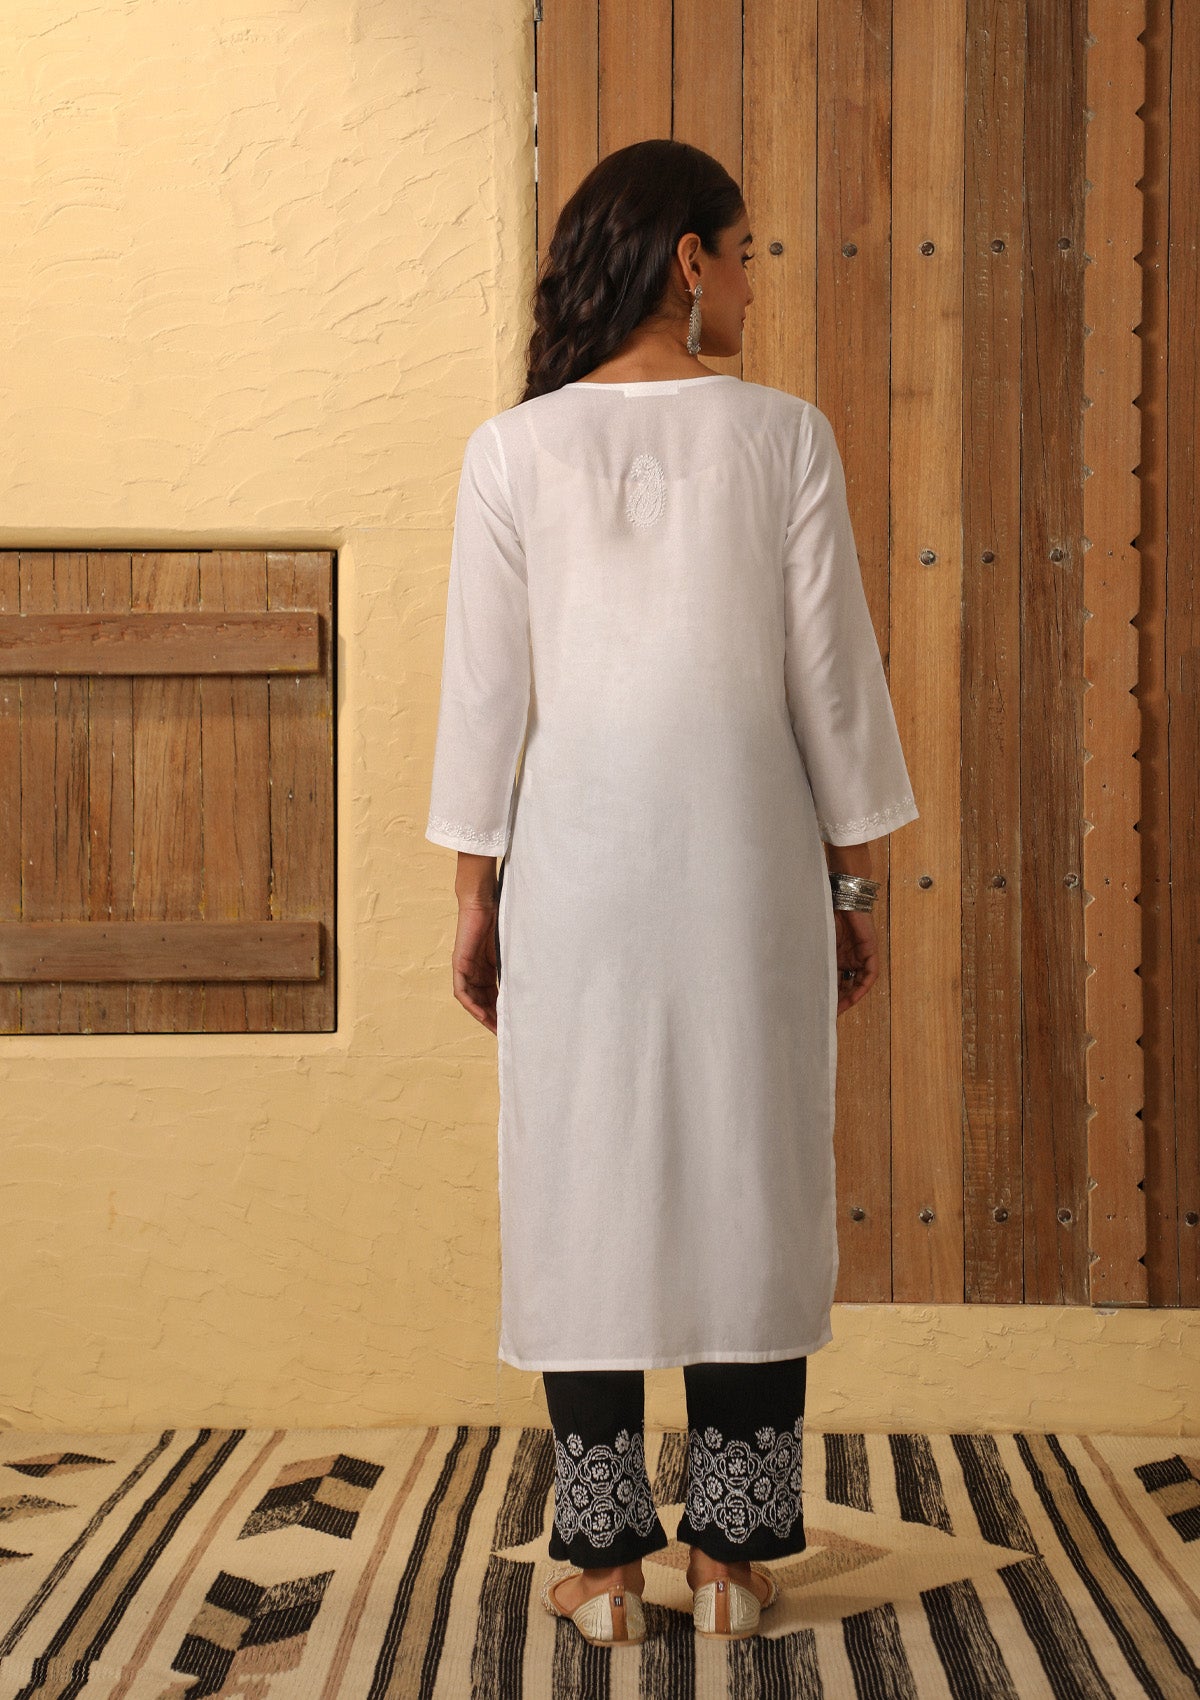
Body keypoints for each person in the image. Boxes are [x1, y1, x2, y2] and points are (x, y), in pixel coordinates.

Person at [425, 138, 919, 1645]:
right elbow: (832, 687)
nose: (757, 280)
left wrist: (475, 897)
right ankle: (734, 1561)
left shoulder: (512, 451)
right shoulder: (785, 439)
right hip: (748, 868)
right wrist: (853, 889)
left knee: (583, 1178)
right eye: (747, 252)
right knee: (749, 1174)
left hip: (574, 873)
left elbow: (485, 704)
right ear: (689, 261)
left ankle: (601, 1566)